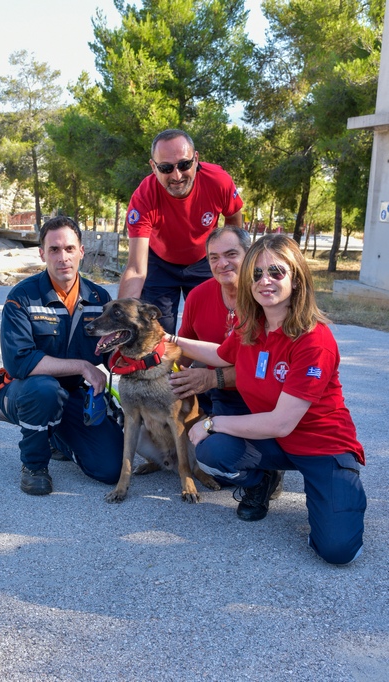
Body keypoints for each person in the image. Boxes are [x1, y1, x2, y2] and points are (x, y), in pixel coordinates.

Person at [169, 234, 366, 565]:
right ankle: (264, 478)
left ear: (296, 277)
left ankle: (335, 487)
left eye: (276, 272)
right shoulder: (252, 325)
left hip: (321, 447)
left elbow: (281, 421)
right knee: (213, 450)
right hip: (275, 443)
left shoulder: (314, 340)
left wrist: (212, 421)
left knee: (337, 550)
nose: (265, 281)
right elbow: (220, 354)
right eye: (257, 274)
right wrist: (170, 339)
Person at [0, 216, 124, 496]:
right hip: (25, 389)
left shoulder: (99, 299)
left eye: (69, 249)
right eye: (54, 250)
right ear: (42, 253)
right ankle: (34, 465)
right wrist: (83, 366)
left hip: (74, 396)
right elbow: (20, 362)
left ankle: (56, 436)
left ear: (81, 251)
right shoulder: (23, 297)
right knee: (44, 390)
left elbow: (114, 353)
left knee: (111, 468)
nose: (62, 257)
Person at [169, 225, 285, 498]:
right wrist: (159, 368)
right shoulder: (198, 295)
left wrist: (212, 377)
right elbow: (185, 351)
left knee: (228, 457)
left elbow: (264, 368)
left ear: (250, 255)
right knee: (211, 456)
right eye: (213, 257)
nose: (222, 263)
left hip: (263, 397)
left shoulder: (265, 297)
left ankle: (267, 474)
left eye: (231, 254)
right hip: (223, 396)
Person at [118, 129, 244, 334]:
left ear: (196, 159)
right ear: (153, 167)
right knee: (157, 333)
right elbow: (136, 270)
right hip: (160, 264)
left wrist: (230, 260)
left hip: (203, 261)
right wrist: (121, 321)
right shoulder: (143, 197)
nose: (176, 176)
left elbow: (234, 218)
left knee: (211, 329)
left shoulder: (218, 180)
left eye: (184, 165)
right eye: (166, 168)